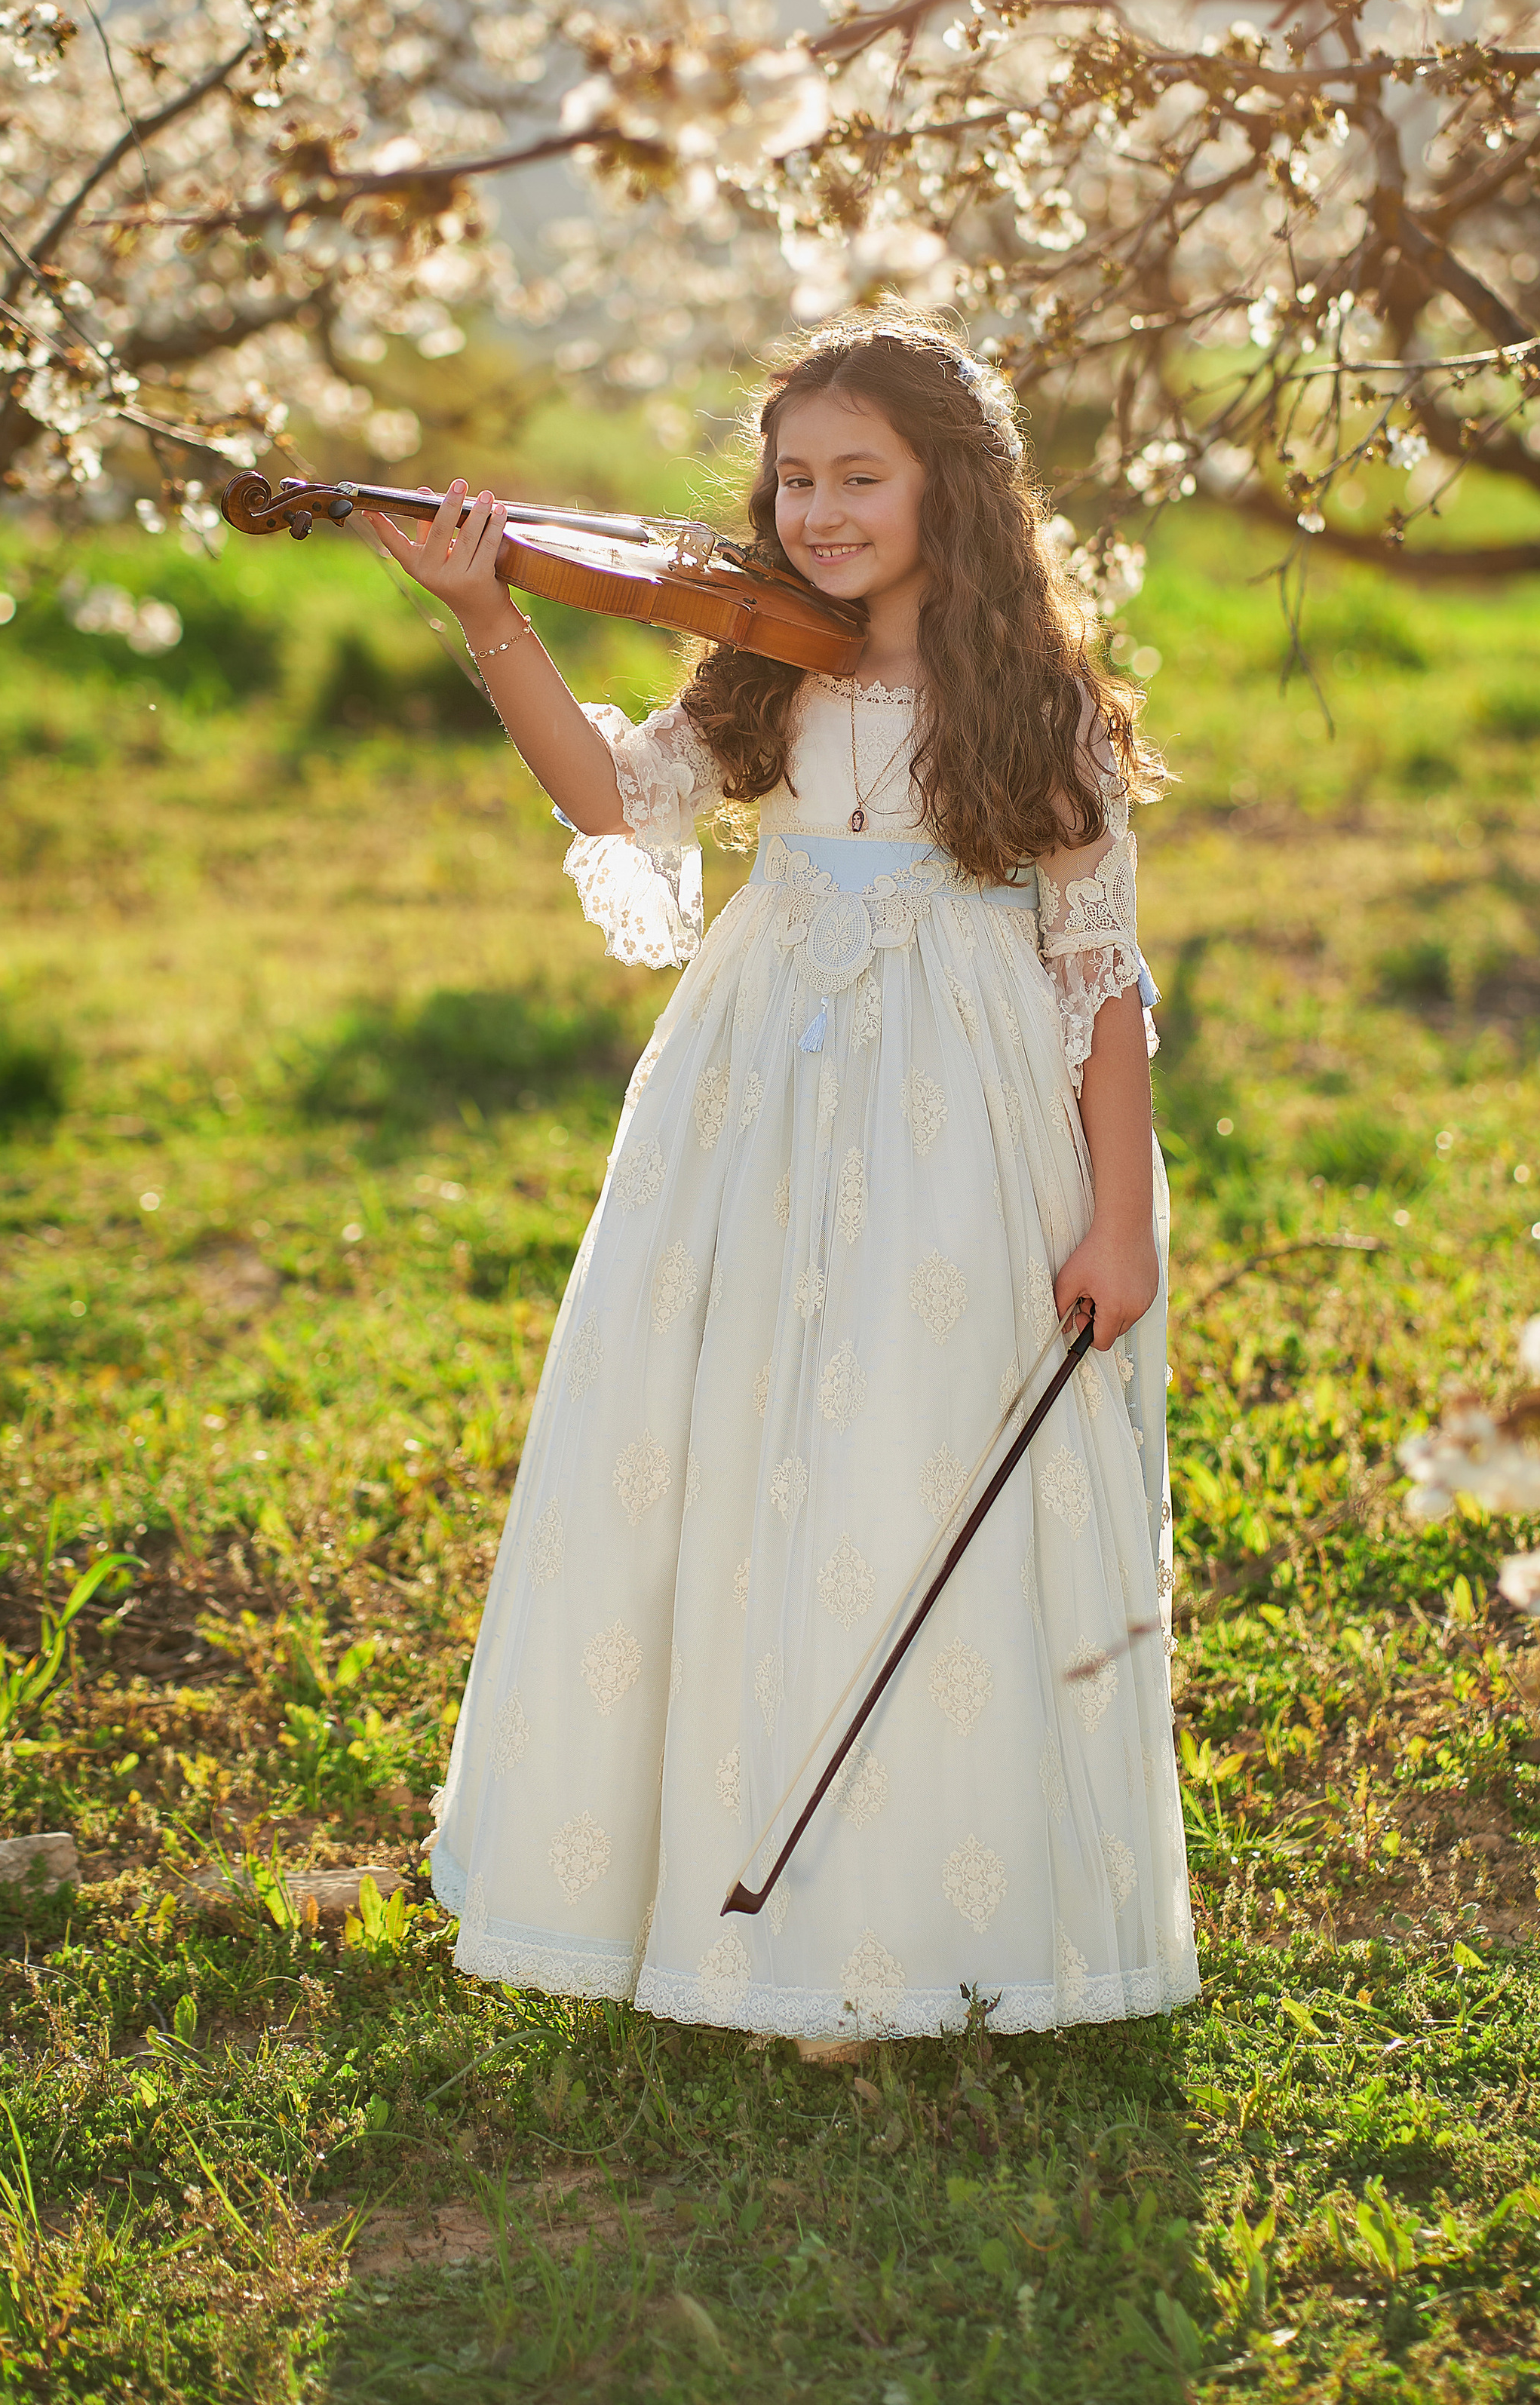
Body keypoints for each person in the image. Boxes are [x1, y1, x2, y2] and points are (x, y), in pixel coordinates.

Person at [366, 310, 1198, 2044]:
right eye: (792, 477)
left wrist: (1115, 1222)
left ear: (946, 490)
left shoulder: (1034, 708)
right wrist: (483, 610)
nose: (815, 511)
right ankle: (708, 1900)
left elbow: (1096, 978)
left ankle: (924, 1919)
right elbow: (606, 798)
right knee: (731, 1437)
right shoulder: (757, 669)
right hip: (755, 1100)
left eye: (856, 477)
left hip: (957, 1118)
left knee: (911, 1443)